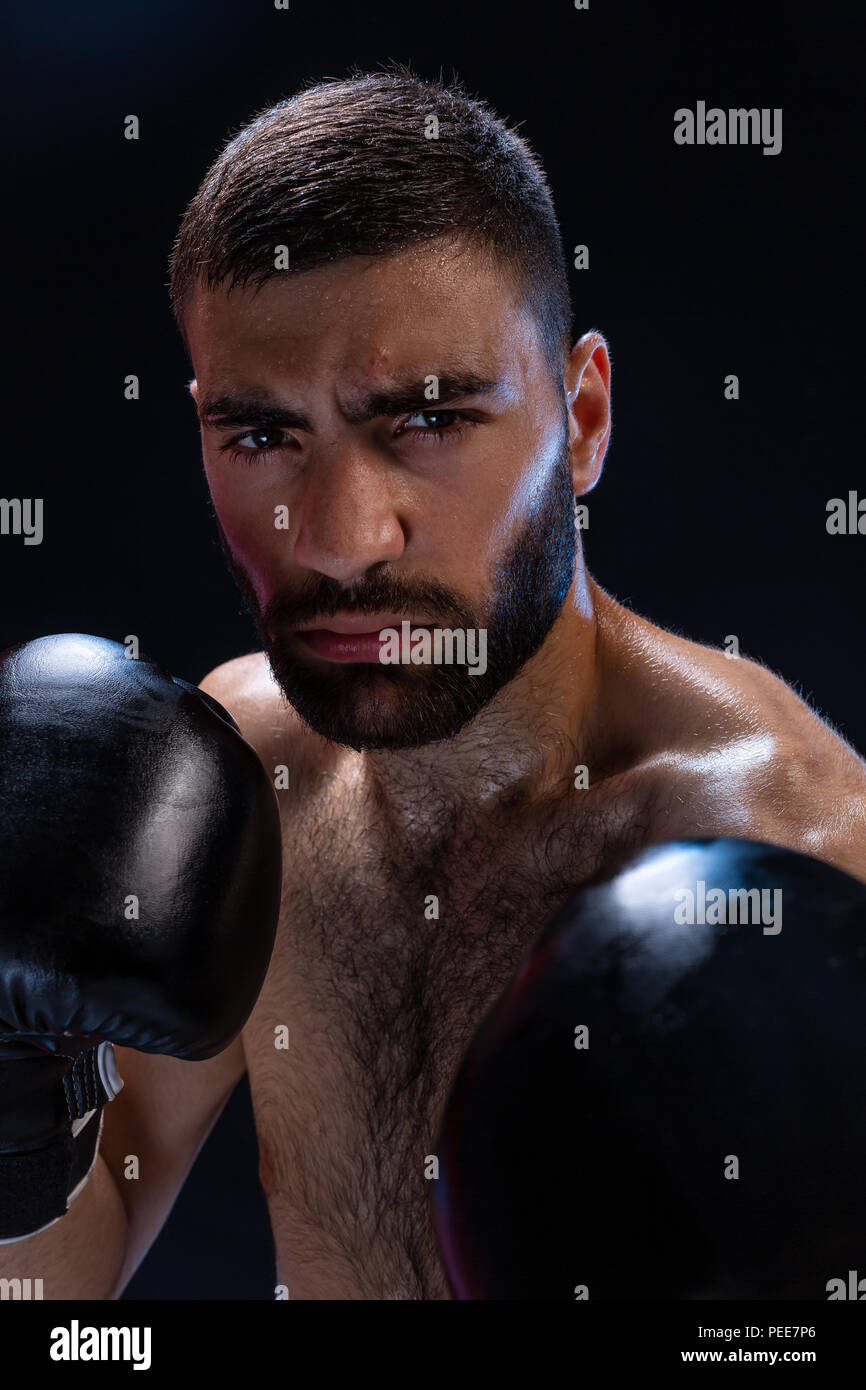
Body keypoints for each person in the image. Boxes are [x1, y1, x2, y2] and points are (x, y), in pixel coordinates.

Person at [2, 67, 864, 1301]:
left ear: (581, 418)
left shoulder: (798, 870)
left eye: (426, 418)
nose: (342, 536)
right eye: (263, 436)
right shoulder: (240, 781)